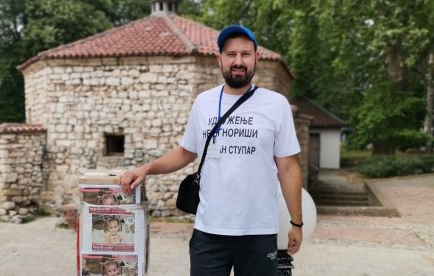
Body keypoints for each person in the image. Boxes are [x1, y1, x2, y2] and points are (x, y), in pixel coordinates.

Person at [120, 24, 303, 276]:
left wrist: (296, 222)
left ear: (256, 57)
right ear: (219, 58)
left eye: (245, 54)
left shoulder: (276, 105)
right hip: (209, 231)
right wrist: (147, 168)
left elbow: (288, 167)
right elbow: (186, 152)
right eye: (231, 54)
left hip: (259, 232)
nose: (238, 61)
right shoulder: (204, 102)